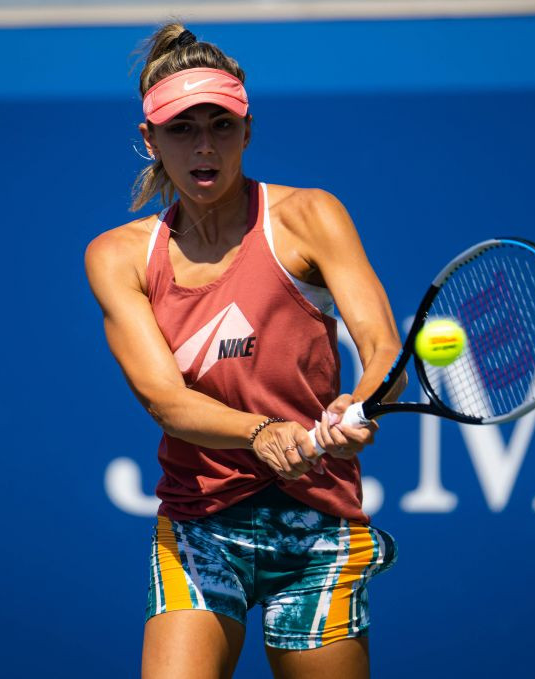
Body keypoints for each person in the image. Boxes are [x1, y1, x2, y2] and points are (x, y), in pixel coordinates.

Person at [85, 23, 405, 679]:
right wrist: (260, 431)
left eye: (221, 126)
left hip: (320, 525)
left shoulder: (311, 216)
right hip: (199, 527)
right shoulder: (118, 257)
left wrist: (363, 400)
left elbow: (382, 348)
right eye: (182, 129)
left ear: (248, 130)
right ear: (150, 139)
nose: (205, 147)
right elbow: (166, 401)